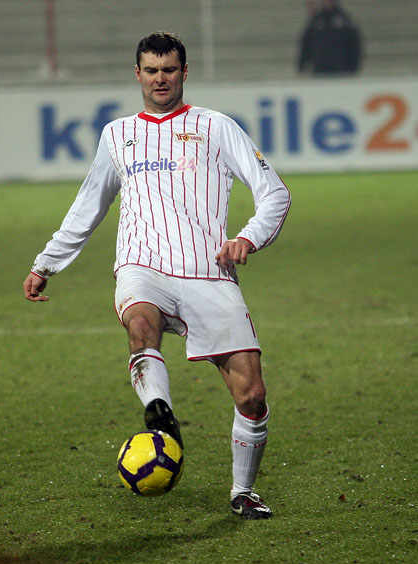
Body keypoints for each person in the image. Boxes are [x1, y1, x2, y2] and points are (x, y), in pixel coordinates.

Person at [23, 31, 291, 520]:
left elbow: (274, 193)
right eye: (151, 70)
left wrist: (247, 238)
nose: (160, 79)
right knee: (141, 324)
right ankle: (161, 416)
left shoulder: (216, 127)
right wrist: (47, 263)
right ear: (138, 74)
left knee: (252, 396)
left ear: (184, 72)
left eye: (169, 69)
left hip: (208, 273)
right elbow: (89, 205)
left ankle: (243, 492)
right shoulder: (118, 134)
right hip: (141, 265)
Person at [298, 0, 362, 75]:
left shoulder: (345, 21)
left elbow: (354, 45)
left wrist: (353, 67)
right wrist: (302, 65)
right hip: (320, 70)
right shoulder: (316, 21)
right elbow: (306, 44)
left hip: (341, 70)